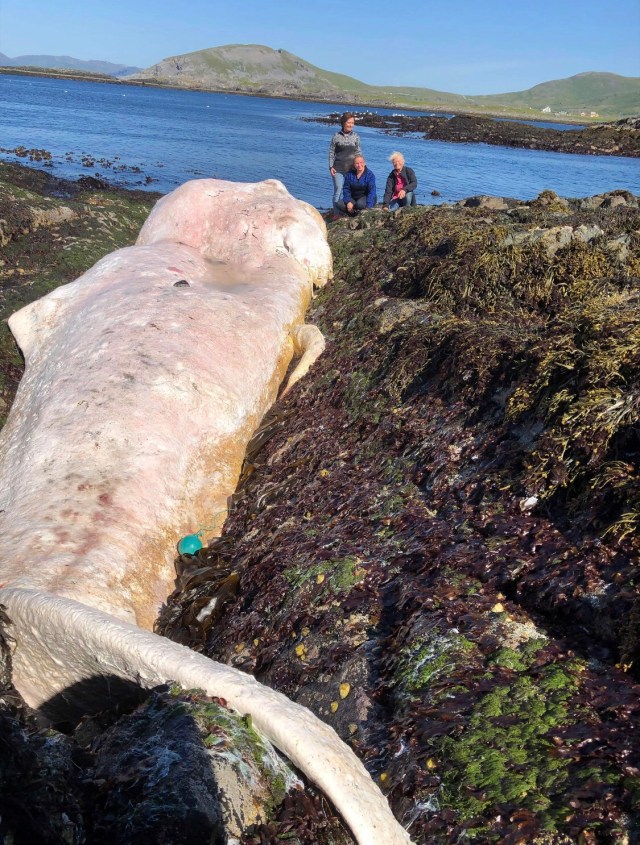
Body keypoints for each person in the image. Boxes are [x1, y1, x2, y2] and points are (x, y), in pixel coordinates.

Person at [328, 112, 361, 215]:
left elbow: (358, 152)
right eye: (349, 122)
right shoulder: (336, 136)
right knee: (338, 190)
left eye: (352, 123)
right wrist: (331, 166)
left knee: (350, 191)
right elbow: (331, 152)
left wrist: (360, 166)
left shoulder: (356, 136)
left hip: (351, 170)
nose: (351, 125)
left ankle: (347, 212)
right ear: (343, 123)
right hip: (337, 169)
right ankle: (336, 214)